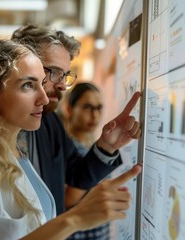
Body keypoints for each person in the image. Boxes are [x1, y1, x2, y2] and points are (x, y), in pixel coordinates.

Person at [0, 39, 142, 239]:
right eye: (28, 85)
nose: (44, 98)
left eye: (42, 83)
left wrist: (107, 145)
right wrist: (75, 219)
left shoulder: (20, 154)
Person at [11, 24, 142, 216]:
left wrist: (107, 146)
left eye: (65, 75)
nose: (63, 86)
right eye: (54, 72)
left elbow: (76, 175)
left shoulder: (51, 122)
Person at [64, 82, 111, 240]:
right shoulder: (67, 149)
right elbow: (67, 199)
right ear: (69, 109)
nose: (95, 115)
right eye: (87, 107)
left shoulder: (94, 149)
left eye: (98, 108)